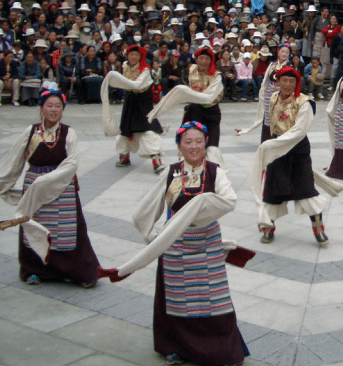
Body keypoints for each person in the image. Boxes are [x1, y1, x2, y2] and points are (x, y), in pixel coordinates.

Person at [97, 122, 251, 366]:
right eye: (187, 142)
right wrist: (156, 240)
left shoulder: (215, 172)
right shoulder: (170, 173)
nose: (193, 146)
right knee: (178, 299)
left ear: (206, 143)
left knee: (212, 297)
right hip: (175, 246)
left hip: (206, 243)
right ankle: (177, 348)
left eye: (198, 141)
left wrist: (202, 206)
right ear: (179, 146)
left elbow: (229, 201)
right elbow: (144, 212)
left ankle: (220, 349)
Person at [0, 89, 99, 286]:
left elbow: (72, 163)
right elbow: (15, 160)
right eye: (49, 105)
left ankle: (80, 272)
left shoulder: (68, 133)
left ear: (63, 110)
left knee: (70, 229)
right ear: (41, 108)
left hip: (62, 186)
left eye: (58, 106)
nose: (54, 110)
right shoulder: (31, 132)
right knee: (33, 225)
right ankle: (33, 270)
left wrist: (48, 180)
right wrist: (1, 182)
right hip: (34, 187)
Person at [249, 66, 342, 245]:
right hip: (277, 151)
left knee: (306, 190)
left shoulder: (304, 102)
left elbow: (300, 130)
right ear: (278, 82)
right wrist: (271, 144)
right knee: (272, 191)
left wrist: (273, 144)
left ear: (297, 82)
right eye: (284, 80)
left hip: (297, 150)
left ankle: (318, 228)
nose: (288, 84)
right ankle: (268, 227)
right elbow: (270, 122)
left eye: (292, 81)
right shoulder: (274, 98)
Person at [148, 47, 226, 168]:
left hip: (211, 113)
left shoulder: (218, 77)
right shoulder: (192, 69)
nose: (204, 61)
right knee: (190, 142)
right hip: (194, 111)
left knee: (211, 146)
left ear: (211, 60)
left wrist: (186, 94)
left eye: (207, 59)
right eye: (201, 58)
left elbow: (209, 97)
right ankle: (190, 169)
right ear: (196, 59)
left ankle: (214, 173)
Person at [101, 45, 164, 171]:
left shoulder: (145, 70)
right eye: (131, 54)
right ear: (127, 56)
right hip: (130, 99)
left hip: (143, 101)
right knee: (125, 128)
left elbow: (137, 84)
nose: (133, 57)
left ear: (141, 56)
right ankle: (124, 155)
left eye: (136, 55)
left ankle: (156, 160)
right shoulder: (125, 66)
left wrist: (114, 77)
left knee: (148, 129)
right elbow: (126, 84)